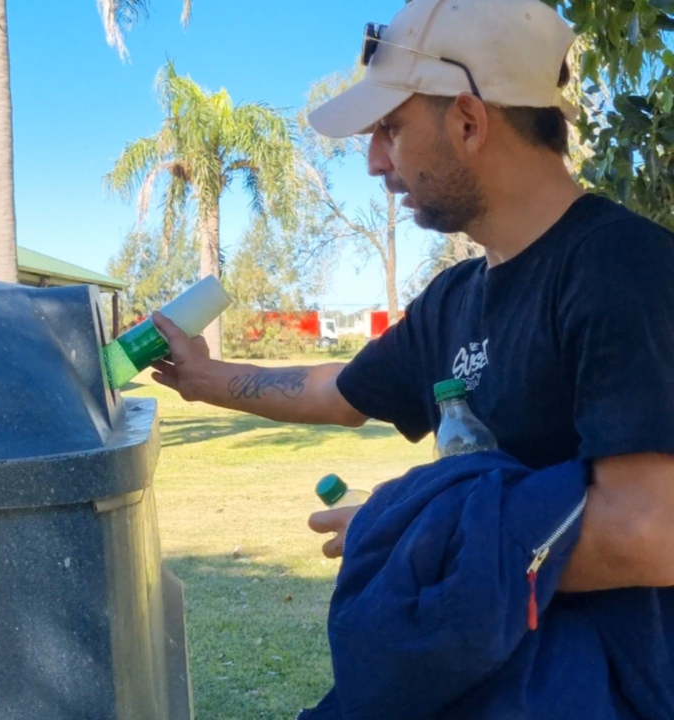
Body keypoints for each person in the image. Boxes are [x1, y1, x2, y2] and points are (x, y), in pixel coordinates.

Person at [149, 0, 674, 711]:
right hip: (489, 672)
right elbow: (342, 390)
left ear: (467, 121)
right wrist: (208, 379)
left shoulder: (622, 268)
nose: (373, 161)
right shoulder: (455, 296)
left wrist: (402, 530)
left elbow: (650, 531)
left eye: (390, 129)